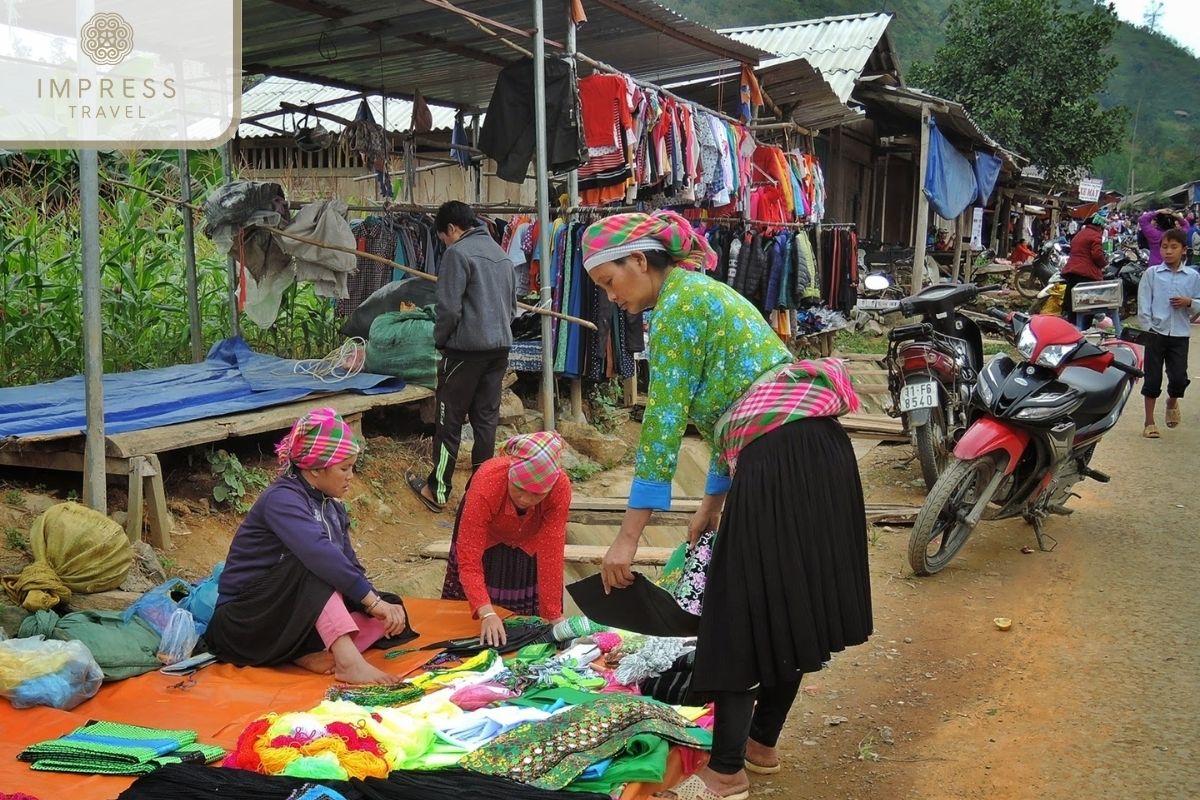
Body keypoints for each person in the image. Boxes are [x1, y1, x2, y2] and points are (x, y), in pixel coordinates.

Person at [582, 211, 872, 800]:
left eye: (611, 281)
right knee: (787, 604)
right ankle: (760, 745)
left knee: (737, 614)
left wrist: (628, 537)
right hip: (814, 451)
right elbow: (731, 407)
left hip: (777, 459)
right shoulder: (704, 293)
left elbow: (664, 424)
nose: (612, 297)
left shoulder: (678, 306)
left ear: (640, 261)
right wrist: (712, 501)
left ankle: (726, 772)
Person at [207, 408, 409, 684]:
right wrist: (371, 602)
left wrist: (377, 602)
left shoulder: (332, 508)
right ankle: (348, 662)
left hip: (289, 617)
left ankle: (309, 652)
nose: (351, 476)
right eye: (344, 468)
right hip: (244, 623)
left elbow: (350, 565)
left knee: (393, 610)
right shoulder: (283, 499)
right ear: (315, 468)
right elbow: (319, 555)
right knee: (316, 569)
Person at [407, 200, 518, 513]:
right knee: (486, 422)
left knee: (448, 421)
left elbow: (449, 309)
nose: (444, 244)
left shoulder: (458, 254)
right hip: (499, 350)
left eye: (442, 238)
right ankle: (480, 497)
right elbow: (512, 309)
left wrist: (441, 340)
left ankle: (437, 490)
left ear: (452, 229)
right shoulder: (501, 255)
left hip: (464, 352)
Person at [440, 431, 571, 646]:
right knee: (466, 628)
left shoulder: (560, 488)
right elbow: (469, 560)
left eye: (537, 494)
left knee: (528, 628)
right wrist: (486, 613)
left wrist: (554, 616)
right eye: (519, 489)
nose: (526, 499)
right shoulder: (487, 482)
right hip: (486, 536)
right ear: (511, 474)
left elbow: (551, 555)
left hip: (528, 536)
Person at [1138, 229, 1200, 439]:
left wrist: (1189, 302)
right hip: (1156, 333)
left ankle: (1172, 401)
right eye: (1165, 247)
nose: (1168, 252)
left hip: (1180, 334)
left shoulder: (1192, 276)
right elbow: (1144, 302)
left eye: (1174, 247)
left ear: (1184, 250)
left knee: (1179, 378)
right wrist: (1148, 329)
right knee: (1152, 378)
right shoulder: (1152, 274)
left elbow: (1199, 303)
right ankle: (1149, 422)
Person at [1061, 211, 1115, 331]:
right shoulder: (1095, 235)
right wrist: (1103, 264)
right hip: (1086, 274)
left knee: (1073, 306)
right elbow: (1097, 255)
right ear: (1099, 226)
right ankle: (1082, 331)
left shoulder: (1080, 234)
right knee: (1087, 308)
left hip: (1071, 272)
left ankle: (1071, 331)